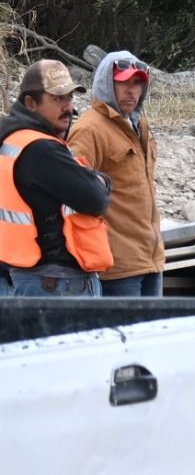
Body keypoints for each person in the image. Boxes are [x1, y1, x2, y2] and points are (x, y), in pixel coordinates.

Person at [1, 59, 113, 297]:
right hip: (56, 284)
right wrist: (101, 181)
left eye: (70, 97)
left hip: (21, 275)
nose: (68, 107)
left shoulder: (10, 139)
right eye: (57, 98)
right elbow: (95, 199)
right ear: (31, 103)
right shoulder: (41, 149)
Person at [68, 51, 163, 298]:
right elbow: (74, 195)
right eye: (123, 82)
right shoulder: (89, 129)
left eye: (137, 83)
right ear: (106, 83)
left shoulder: (138, 123)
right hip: (116, 267)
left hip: (150, 259)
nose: (131, 90)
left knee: (154, 336)